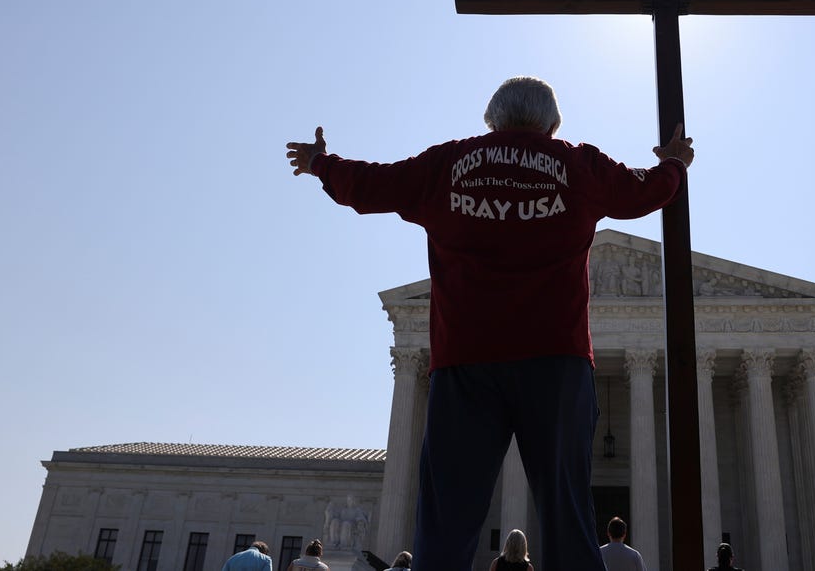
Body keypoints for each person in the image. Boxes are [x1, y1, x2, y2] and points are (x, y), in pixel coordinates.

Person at [286, 75, 694, 571]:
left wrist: (319, 163)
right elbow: (644, 192)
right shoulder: (575, 163)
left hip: (466, 364)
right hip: (556, 363)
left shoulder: (449, 164)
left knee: (448, 518)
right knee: (568, 514)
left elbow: (373, 185)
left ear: (491, 119)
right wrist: (673, 163)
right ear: (552, 123)